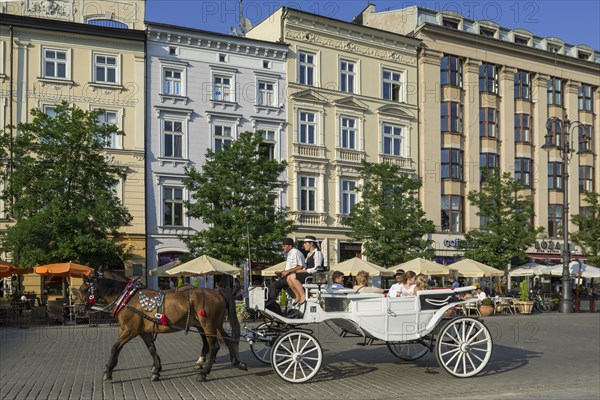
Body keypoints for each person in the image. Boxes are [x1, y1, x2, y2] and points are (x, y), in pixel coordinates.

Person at [266, 238, 306, 313]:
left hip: (296, 276)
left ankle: (270, 303)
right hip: (290, 275)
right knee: (274, 283)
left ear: (290, 246)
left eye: (284, 246)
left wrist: (287, 271)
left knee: (276, 285)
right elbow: (289, 269)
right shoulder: (290, 253)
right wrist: (281, 272)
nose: (283, 247)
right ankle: (274, 304)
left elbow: (300, 266)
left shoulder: (295, 252)